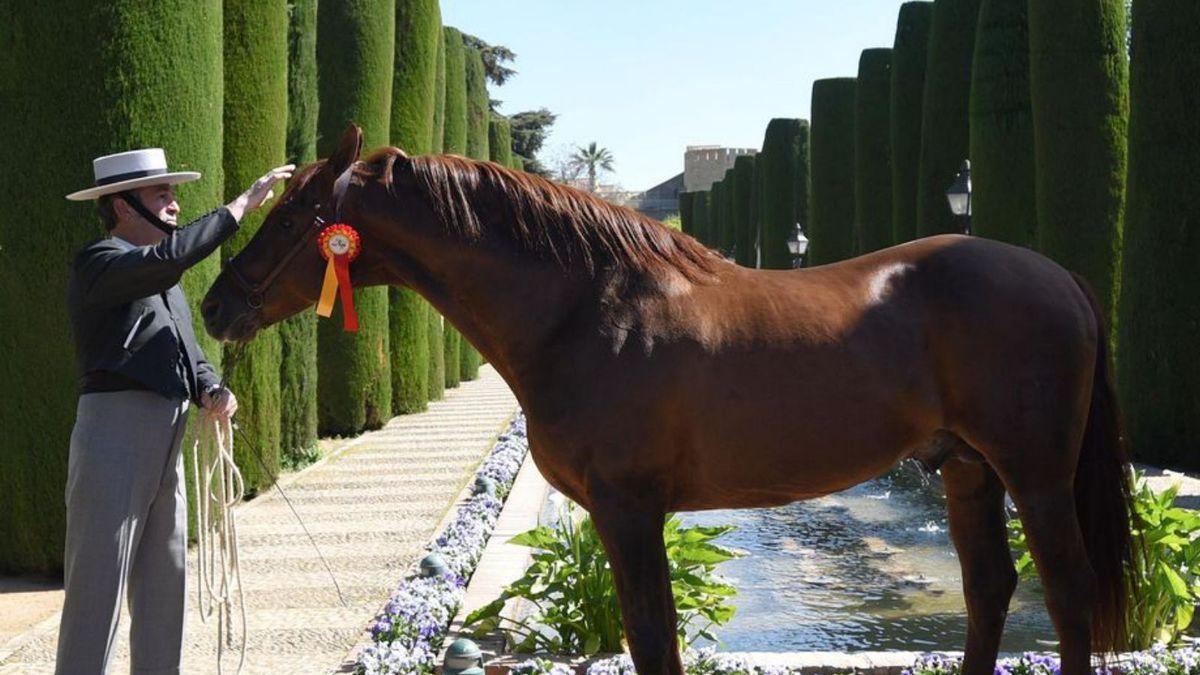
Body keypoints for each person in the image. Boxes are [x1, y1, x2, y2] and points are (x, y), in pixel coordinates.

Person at [58, 148, 293, 674]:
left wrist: (210, 387)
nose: (174, 203)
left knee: (167, 579)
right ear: (122, 206)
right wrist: (237, 209)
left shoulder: (159, 278)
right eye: (160, 194)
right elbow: (168, 260)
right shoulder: (100, 262)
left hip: (169, 432)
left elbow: (186, 348)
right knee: (98, 586)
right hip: (113, 435)